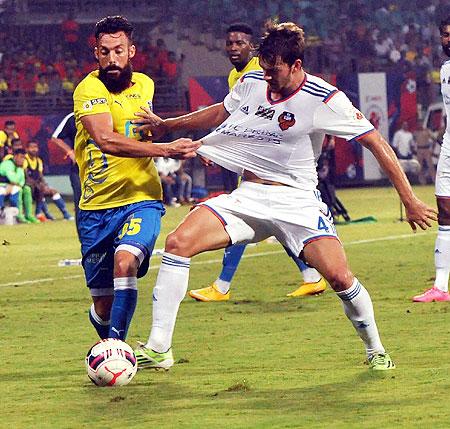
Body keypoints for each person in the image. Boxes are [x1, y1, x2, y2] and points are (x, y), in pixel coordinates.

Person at [133, 21, 436, 371]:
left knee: (339, 277)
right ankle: (159, 348)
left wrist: (410, 200)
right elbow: (221, 111)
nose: (267, 76)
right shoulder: (252, 82)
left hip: (297, 202)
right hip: (248, 197)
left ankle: (375, 350)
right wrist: (168, 126)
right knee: (178, 242)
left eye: (274, 69)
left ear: (296, 65)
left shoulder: (325, 100)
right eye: (263, 67)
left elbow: (375, 142)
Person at [73, 16, 199, 342]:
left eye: (118, 50)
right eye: (104, 52)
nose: (111, 59)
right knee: (103, 304)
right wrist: (165, 148)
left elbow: (140, 127)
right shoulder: (89, 89)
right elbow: (106, 139)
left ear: (132, 51)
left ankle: (117, 349)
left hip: (141, 198)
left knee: (125, 262)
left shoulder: (146, 84)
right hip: (96, 208)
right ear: (96, 54)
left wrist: (161, 128)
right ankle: (109, 337)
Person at [189, 23, 326, 302]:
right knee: (273, 221)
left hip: (270, 163)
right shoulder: (236, 75)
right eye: (229, 43)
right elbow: (235, 118)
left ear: (252, 47)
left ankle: (222, 286)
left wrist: (214, 147)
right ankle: (311, 277)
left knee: (242, 217)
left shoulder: (261, 70)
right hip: (253, 159)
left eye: (239, 43)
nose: (233, 47)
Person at [413, 17, 450, 302]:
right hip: (449, 148)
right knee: (445, 210)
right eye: (445, 35)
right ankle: (440, 287)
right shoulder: (445, 70)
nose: (448, 39)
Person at [48, 112, 81, 236]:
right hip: (79, 170)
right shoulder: (73, 117)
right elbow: (55, 137)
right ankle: (84, 241)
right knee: (81, 205)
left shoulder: (106, 112)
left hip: (105, 168)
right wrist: (70, 152)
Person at [25, 140, 73, 221]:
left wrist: (44, 185)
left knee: (52, 191)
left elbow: (40, 176)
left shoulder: (38, 160)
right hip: (28, 185)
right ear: (27, 149)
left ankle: (66, 214)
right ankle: (40, 213)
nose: (34, 149)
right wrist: (38, 185)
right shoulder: (25, 159)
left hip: (37, 186)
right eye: (31, 147)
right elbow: (26, 176)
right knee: (40, 190)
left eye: (35, 147)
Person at [0, 148, 26, 218]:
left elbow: (22, 182)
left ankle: (18, 213)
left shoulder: (19, 167)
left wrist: (15, 184)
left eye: (24, 158)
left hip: (9, 187)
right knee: (2, 190)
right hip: (2, 186)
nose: (22, 159)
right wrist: (14, 184)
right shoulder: (8, 164)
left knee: (17, 189)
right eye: (21, 157)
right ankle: (1, 209)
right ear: (15, 156)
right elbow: (13, 179)